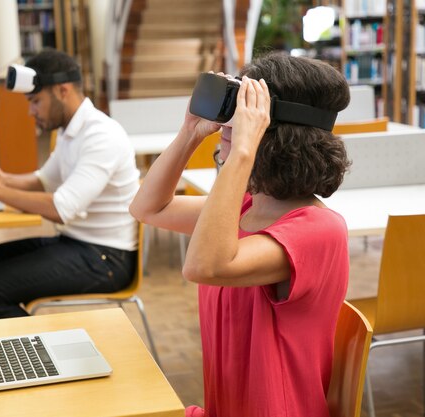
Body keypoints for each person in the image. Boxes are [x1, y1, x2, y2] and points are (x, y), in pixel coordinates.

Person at [129, 52, 351, 417]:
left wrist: (243, 149)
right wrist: (190, 132)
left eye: (245, 114)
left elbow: (205, 266)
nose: (229, 127)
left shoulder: (318, 230)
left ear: (274, 134)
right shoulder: (247, 207)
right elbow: (148, 209)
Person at [0, 49, 140, 320]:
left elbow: (61, 208)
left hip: (107, 258)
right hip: (75, 243)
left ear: (63, 91)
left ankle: (40, 355)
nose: (30, 111)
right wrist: (1, 179)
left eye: (35, 101)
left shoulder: (102, 135)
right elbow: (42, 181)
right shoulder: (70, 131)